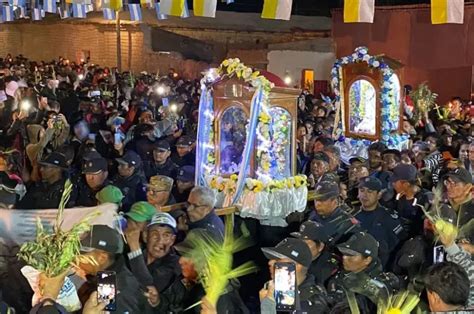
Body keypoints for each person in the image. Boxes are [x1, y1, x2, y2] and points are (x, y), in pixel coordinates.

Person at [152, 229, 249, 313]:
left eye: (189, 256)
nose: (181, 260)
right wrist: (158, 301)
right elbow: (173, 301)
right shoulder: (190, 280)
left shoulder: (221, 295)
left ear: (205, 260)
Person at [78, 225, 151, 313]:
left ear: (102, 258)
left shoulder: (108, 289)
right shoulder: (112, 274)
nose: (76, 260)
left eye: (81, 256)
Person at [328, 232, 400, 313]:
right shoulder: (339, 276)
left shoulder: (381, 287)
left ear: (367, 260)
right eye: (344, 253)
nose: (344, 257)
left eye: (351, 255)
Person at [260, 237, 329, 313]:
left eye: (278, 259)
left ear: (297, 267)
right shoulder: (284, 290)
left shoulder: (309, 305)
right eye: (271, 258)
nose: (270, 262)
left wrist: (268, 305)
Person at [354, 177, 404, 266]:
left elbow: (399, 247)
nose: (364, 195)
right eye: (362, 190)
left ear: (379, 195)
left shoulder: (389, 217)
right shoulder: (351, 215)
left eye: (370, 192)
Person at [126, 212, 181, 293]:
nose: (160, 240)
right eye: (155, 234)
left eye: (166, 236)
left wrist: (134, 247)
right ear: (145, 236)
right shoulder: (132, 254)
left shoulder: (175, 263)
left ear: (172, 240)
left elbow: (149, 289)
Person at [290, 221, 340, 286]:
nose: (300, 246)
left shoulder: (328, 266)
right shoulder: (295, 256)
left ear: (321, 246)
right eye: (299, 241)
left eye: (305, 243)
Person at [389, 164, 430, 238]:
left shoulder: (426, 199)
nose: (392, 184)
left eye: (395, 182)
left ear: (406, 184)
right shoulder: (397, 197)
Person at [443, 167, 474, 244]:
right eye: (448, 182)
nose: (448, 187)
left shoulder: (472, 209)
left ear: (467, 187)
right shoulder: (442, 206)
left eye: (454, 184)